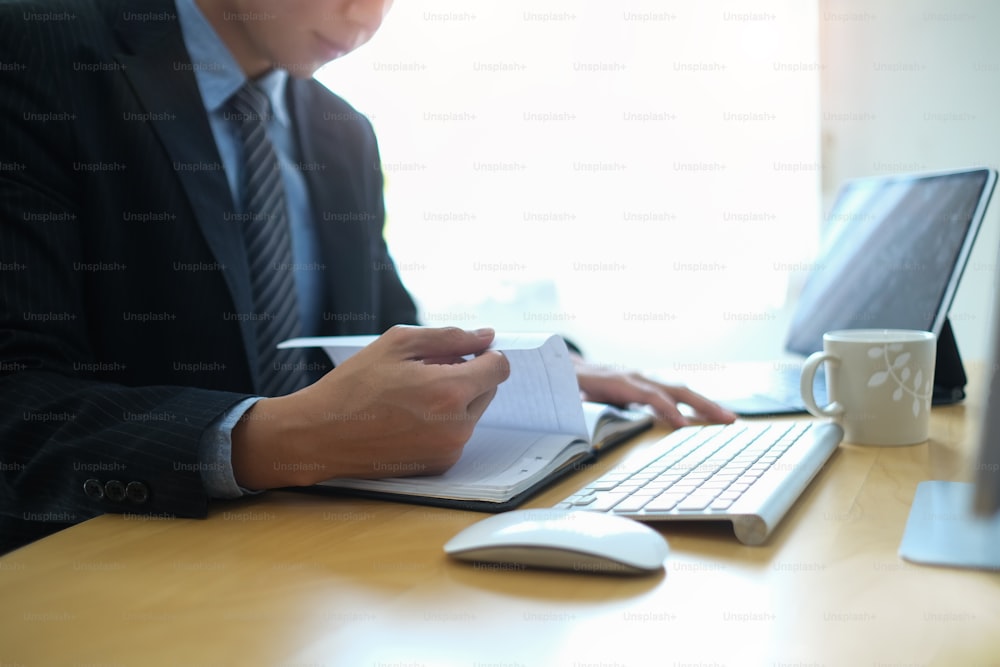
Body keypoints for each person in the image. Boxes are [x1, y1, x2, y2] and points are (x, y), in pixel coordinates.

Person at [0, 0, 735, 554]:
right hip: (107, 573)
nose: (367, 16)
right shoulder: (35, 53)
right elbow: (16, 401)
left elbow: (379, 336)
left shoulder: (341, 132)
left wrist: (531, 371)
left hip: (315, 565)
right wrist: (279, 437)